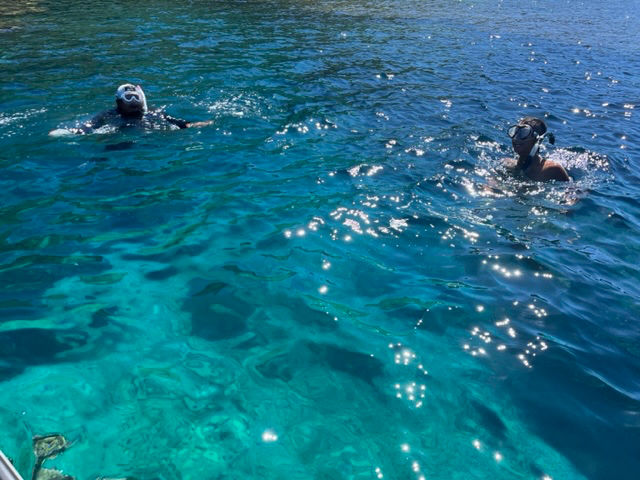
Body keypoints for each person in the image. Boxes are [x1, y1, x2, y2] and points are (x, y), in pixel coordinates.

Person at [51, 84, 212, 135]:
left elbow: (175, 122)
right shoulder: (107, 115)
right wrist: (70, 132)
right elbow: (88, 127)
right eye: (129, 98)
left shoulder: (154, 112)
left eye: (136, 98)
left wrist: (192, 125)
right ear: (119, 102)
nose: (134, 102)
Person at [505, 116, 570, 182]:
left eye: (524, 132)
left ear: (537, 140)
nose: (516, 138)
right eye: (515, 131)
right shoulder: (507, 164)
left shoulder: (551, 169)